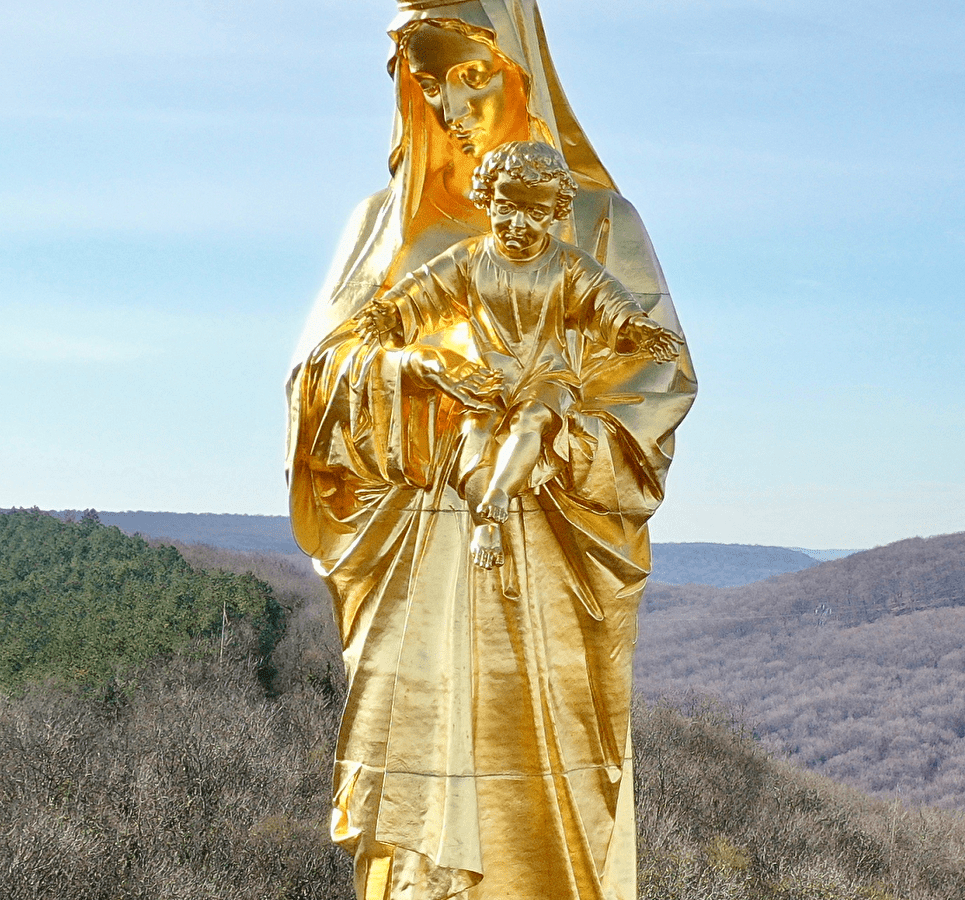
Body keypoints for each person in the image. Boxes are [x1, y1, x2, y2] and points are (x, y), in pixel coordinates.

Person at [286, 3, 697, 898]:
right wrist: (422, 376)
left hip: (548, 551)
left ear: (522, 67)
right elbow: (322, 374)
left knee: (543, 805)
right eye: (427, 80)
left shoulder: (596, 220)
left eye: (471, 73)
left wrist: (548, 433)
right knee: (421, 819)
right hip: (421, 540)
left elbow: (654, 379)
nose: (449, 104)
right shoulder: (383, 228)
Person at [352, 142, 683, 584]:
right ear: (488, 199)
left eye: (536, 212)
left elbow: (605, 302)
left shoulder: (569, 265)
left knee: (532, 420)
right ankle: (486, 525)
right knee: (474, 432)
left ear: (556, 212)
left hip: (550, 376)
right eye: (506, 207)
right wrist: (391, 312)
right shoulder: (469, 258)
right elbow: (423, 292)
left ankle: (499, 496)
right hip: (493, 376)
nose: (518, 224)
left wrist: (636, 328)